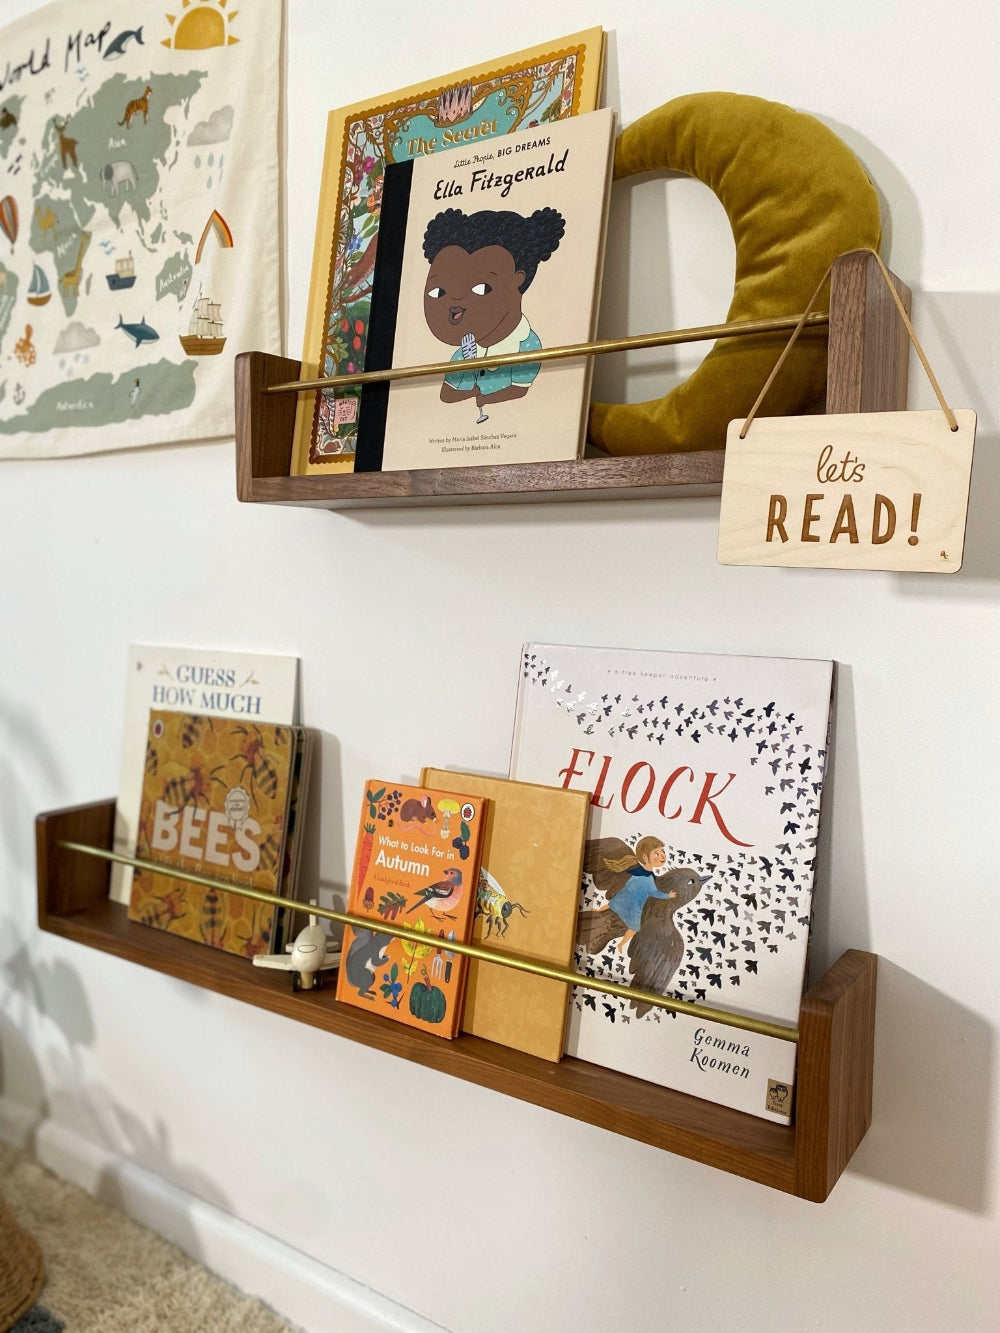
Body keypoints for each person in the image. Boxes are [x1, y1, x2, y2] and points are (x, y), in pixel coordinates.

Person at [420, 206, 565, 417]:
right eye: (438, 292)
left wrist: (484, 398)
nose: (456, 300)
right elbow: (446, 394)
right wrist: (473, 392)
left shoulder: (527, 345)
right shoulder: (464, 352)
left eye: (481, 289)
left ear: (518, 279)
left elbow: (520, 390)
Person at [600, 836, 677, 953]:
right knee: (634, 927)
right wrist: (668, 896)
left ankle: (619, 943)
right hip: (633, 906)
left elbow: (632, 886)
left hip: (625, 900)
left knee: (612, 905)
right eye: (656, 853)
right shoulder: (648, 878)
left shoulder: (640, 873)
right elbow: (654, 893)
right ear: (645, 857)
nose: (662, 856)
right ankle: (621, 944)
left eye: (663, 852)